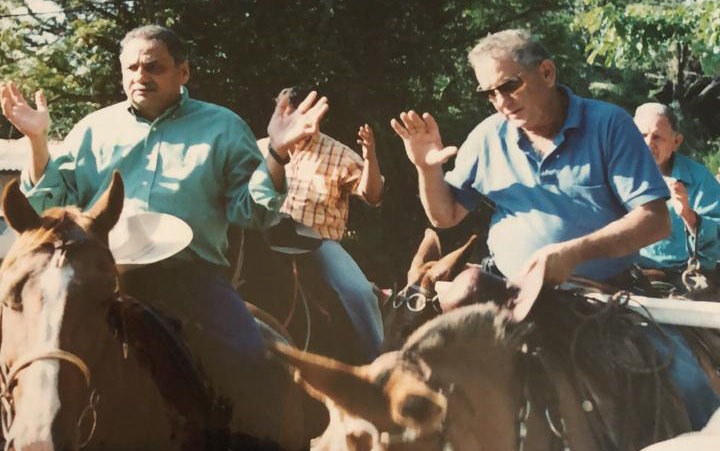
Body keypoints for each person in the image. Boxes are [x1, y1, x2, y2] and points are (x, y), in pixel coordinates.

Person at [0, 24, 328, 441]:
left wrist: (277, 154)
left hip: (191, 281)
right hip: (101, 282)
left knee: (251, 360)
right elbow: (50, 205)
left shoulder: (223, 128)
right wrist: (37, 140)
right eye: (132, 67)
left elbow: (251, 213)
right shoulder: (92, 129)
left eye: (154, 66)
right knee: (33, 357)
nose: (141, 75)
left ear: (183, 72)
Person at [390, 27, 717, 429]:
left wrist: (573, 253)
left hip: (602, 298)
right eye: (488, 94)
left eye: (508, 86)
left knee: (689, 384)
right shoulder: (488, 136)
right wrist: (427, 169)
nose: (500, 102)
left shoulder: (609, 124)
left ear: (546, 72)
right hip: (505, 292)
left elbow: (654, 221)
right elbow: (445, 216)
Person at [252, 86, 385, 363]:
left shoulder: (339, 154)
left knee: (358, 292)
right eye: (283, 110)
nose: (288, 117)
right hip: (264, 235)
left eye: (295, 111)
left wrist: (370, 156)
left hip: (317, 241)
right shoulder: (261, 148)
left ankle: (379, 361)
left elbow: (372, 195)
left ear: (314, 115)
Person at [633, 102, 720, 285]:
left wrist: (689, 216)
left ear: (676, 142)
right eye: (642, 135)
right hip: (629, 273)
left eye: (657, 137)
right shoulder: (618, 174)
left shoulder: (699, 179)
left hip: (684, 277)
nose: (648, 144)